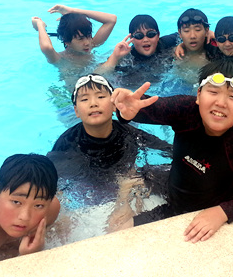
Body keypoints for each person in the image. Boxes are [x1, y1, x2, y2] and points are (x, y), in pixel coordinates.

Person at [110, 58, 233, 242]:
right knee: (119, 218)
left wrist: (223, 212)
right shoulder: (186, 110)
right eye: (213, 92)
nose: (221, 103)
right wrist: (127, 109)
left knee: (121, 235)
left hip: (200, 209)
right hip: (172, 186)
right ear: (199, 95)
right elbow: (146, 107)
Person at [47, 74, 172, 228]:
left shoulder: (128, 132)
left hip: (125, 179)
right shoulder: (67, 143)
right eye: (85, 99)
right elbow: (50, 179)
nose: (93, 103)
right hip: (89, 185)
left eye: (100, 97)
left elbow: (168, 150)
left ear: (114, 105)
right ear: (76, 111)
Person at [96, 14, 178, 80]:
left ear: (158, 35)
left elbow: (183, 34)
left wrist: (182, 45)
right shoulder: (127, 57)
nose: (145, 39)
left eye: (151, 34)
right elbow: (97, 76)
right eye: (139, 36)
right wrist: (115, 57)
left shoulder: (166, 43)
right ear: (132, 39)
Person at [31, 4, 117, 66]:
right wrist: (40, 25)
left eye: (89, 36)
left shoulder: (91, 46)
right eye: (80, 39)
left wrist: (73, 11)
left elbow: (111, 19)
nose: (87, 43)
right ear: (67, 41)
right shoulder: (60, 59)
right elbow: (47, 47)